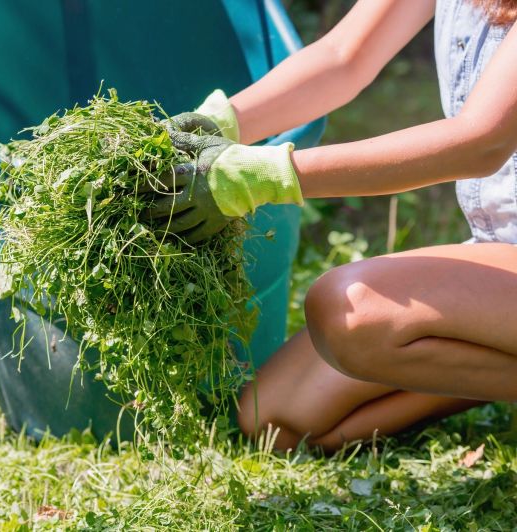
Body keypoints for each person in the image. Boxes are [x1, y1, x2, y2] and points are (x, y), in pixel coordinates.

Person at [147, 0, 517, 450]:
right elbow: (344, 56)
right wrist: (219, 123)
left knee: (351, 311)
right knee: (271, 418)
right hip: (499, 253)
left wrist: (261, 177)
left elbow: (479, 143)